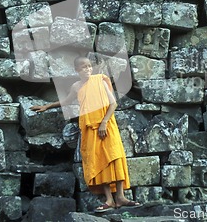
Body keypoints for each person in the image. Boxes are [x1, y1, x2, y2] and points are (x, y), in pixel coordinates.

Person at [30, 56, 141, 212]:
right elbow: (67, 100)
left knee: (115, 157)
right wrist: (47, 106)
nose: (88, 69)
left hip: (107, 126)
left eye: (89, 66)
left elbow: (113, 103)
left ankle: (121, 197)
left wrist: (104, 123)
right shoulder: (76, 86)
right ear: (77, 70)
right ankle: (109, 199)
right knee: (99, 161)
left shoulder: (100, 80)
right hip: (90, 129)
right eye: (83, 67)